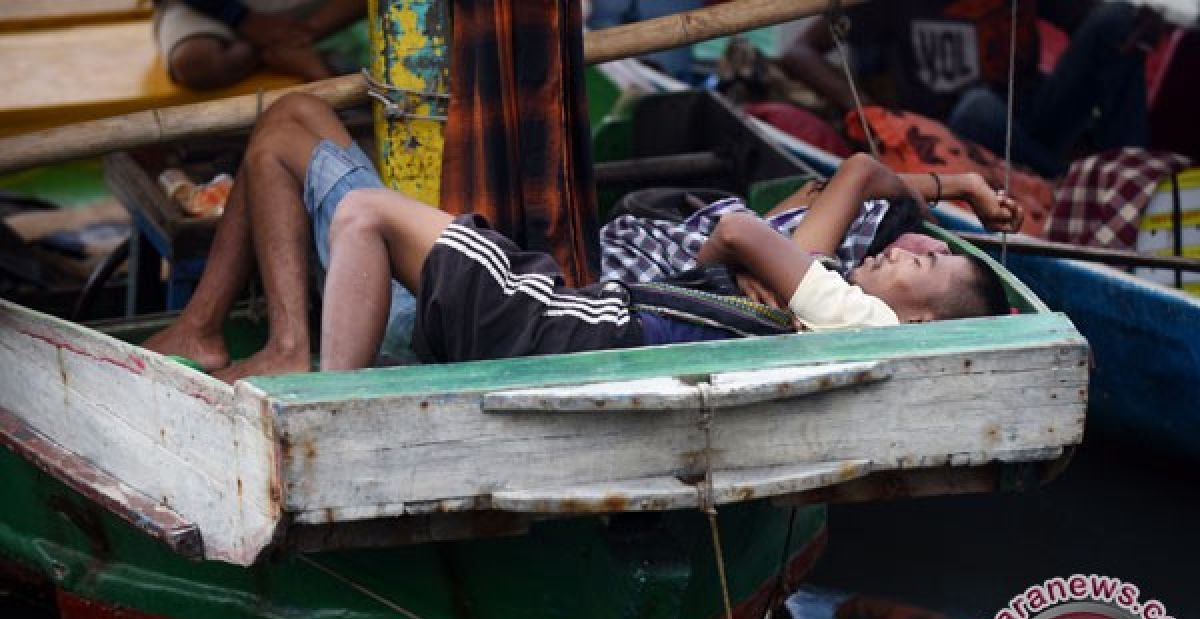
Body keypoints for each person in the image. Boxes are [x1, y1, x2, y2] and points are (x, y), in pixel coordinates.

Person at [142, 94, 1021, 379]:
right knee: (292, 133)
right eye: (932, 241)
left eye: (931, 259)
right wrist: (964, 185)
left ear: (919, 319)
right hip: (541, 312)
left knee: (293, 126)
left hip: (533, 317)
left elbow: (755, 223)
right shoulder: (827, 281)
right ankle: (242, 336)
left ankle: (281, 350)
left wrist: (739, 244)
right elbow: (857, 176)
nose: (919, 245)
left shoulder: (845, 311)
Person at [780, 1, 1158, 177]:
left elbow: (1095, 28)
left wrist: (1134, 30)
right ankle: (1062, 180)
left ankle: (1130, 177)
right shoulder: (891, 3)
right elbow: (796, 52)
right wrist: (865, 107)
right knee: (976, 106)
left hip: (1033, 126)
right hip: (953, 143)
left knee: (1120, 20)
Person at [153, 0, 366, 90]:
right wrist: (243, 19)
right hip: (207, 7)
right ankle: (283, 51)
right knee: (195, 62)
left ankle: (297, 41)